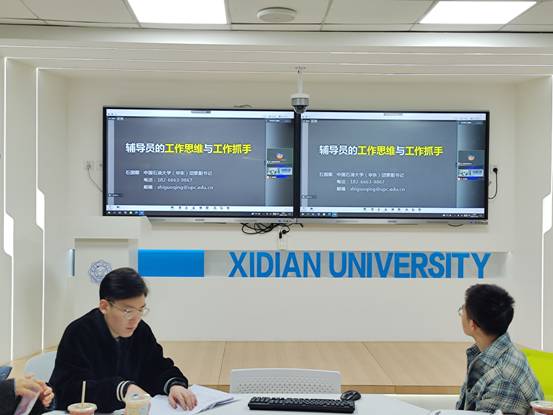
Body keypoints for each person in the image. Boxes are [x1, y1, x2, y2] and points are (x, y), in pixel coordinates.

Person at [49, 267, 197, 413]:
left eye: (140, 310)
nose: (135, 319)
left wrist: (174, 385)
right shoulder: (79, 332)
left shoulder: (140, 330)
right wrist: (121, 389)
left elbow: (157, 367)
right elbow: (69, 391)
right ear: (104, 306)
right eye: (128, 311)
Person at [456, 284, 543, 415]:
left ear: (473, 325)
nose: (461, 313)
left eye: (463, 309)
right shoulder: (490, 353)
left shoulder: (502, 381)